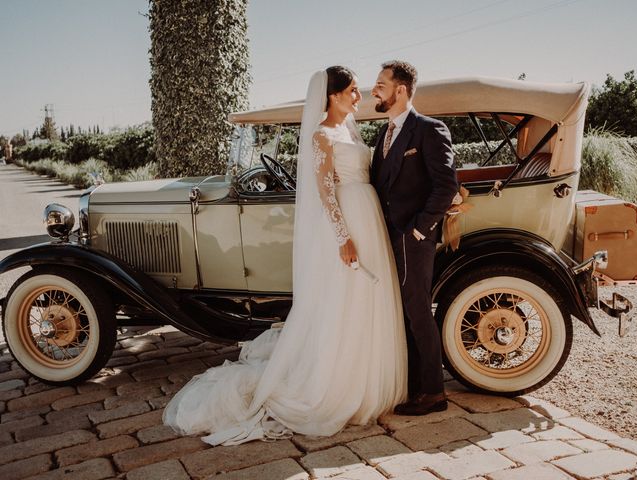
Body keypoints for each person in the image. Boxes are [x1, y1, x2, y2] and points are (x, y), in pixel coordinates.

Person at [163, 66, 407, 446]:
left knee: (368, 301)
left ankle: (369, 379)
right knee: (346, 302)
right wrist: (343, 237)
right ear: (333, 95)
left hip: (369, 217)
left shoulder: (349, 130)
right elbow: (325, 191)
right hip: (349, 222)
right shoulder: (321, 135)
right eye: (352, 92)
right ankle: (340, 384)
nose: (359, 97)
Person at [371, 60, 459, 416]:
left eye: (381, 84)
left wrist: (420, 230)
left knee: (418, 311)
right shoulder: (383, 134)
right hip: (386, 238)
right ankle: (413, 385)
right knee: (402, 311)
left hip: (414, 239)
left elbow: (446, 186)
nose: (374, 90)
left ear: (401, 89)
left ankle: (434, 393)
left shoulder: (429, 129)